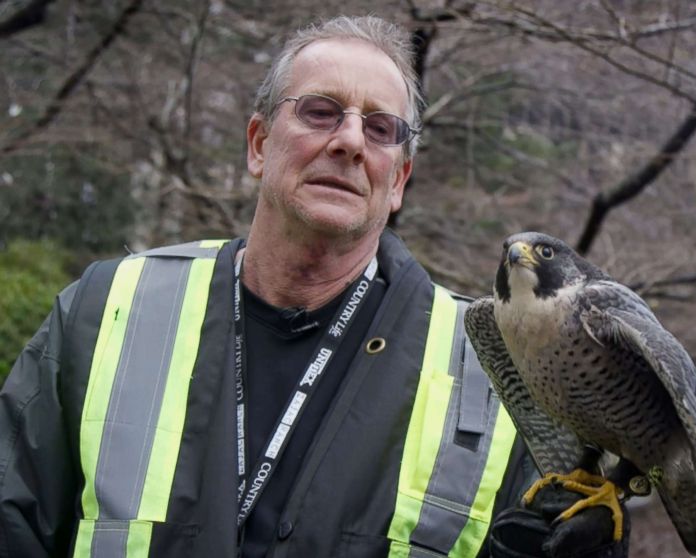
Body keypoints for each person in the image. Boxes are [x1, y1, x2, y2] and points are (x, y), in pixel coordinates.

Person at [0, 15, 627, 558]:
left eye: (380, 129)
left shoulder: (495, 371)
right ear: (257, 144)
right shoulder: (109, 309)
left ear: (399, 179)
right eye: (320, 111)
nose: (350, 140)